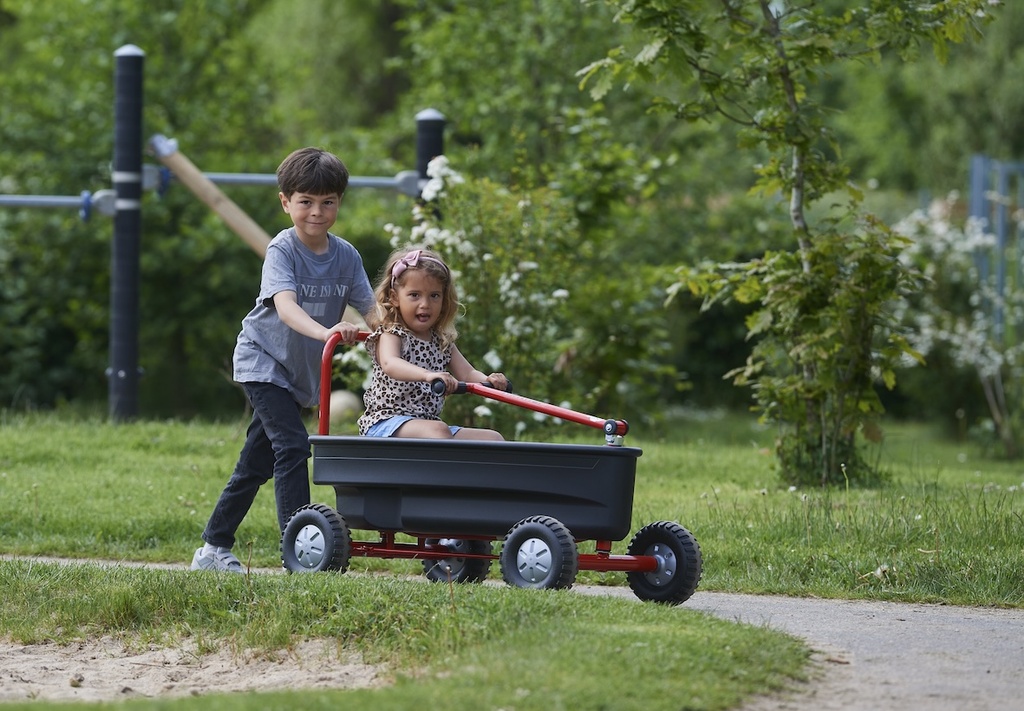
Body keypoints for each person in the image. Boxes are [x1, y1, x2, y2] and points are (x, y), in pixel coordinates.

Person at [191, 147, 374, 573]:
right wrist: (326, 331)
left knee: (255, 463)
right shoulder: (283, 249)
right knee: (292, 446)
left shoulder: (346, 256)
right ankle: (302, 550)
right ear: (285, 202)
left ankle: (212, 549)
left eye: (327, 202)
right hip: (263, 361)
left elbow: (373, 309)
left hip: (298, 374)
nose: (317, 212)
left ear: (339, 203)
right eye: (306, 202)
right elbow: (287, 307)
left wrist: (392, 337)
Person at [357, 246, 508, 440]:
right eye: (414, 295)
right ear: (395, 298)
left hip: (427, 424)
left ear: (444, 300)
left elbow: (468, 373)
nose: (425, 304)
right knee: (438, 431)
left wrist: (489, 381)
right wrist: (428, 375)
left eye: (434, 296)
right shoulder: (392, 332)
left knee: (492, 438)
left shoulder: (441, 340)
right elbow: (390, 363)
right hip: (386, 423)